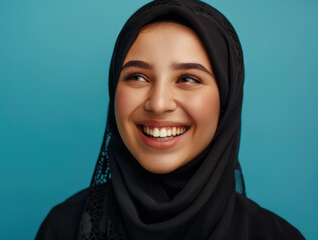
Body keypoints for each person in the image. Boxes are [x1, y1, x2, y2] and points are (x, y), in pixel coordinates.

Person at [36, 0, 305, 239]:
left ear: (226, 101)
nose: (158, 103)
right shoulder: (64, 228)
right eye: (137, 77)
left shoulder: (275, 235)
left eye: (188, 78)